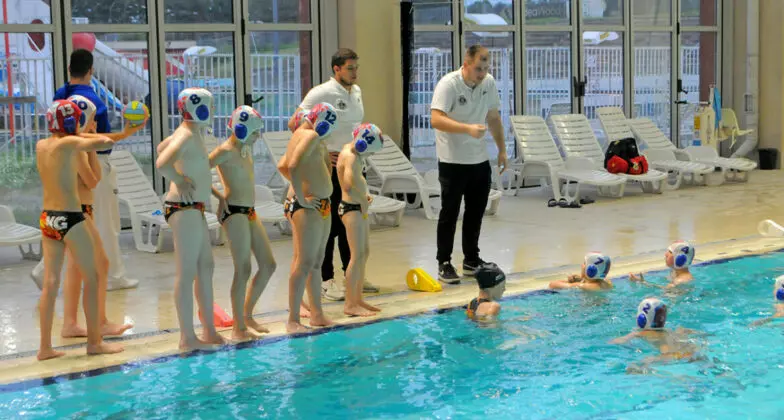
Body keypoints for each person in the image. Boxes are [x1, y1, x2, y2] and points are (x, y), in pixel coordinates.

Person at [32, 49, 145, 291]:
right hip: (93, 162)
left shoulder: (61, 95)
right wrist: (126, 131)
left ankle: (44, 271)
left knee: (68, 220)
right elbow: (99, 139)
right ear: (91, 70)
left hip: (64, 161)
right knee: (106, 222)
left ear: (69, 69)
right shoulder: (95, 102)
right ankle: (114, 276)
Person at [287, 48, 380, 301]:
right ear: (336, 69)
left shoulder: (356, 91)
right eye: (350, 68)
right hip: (329, 169)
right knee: (328, 226)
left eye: (356, 68)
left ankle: (353, 274)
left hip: (353, 164)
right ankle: (326, 279)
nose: (355, 73)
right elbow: (295, 123)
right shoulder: (321, 92)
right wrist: (321, 151)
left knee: (350, 221)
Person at [36, 100, 125, 360]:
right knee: (93, 277)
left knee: (50, 282)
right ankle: (95, 343)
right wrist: (87, 132)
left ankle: (44, 348)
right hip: (71, 218)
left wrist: (79, 132)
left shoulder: (42, 145)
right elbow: (104, 142)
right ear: (71, 122)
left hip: (48, 218)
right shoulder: (68, 144)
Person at [430, 44, 508, 284]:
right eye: (478, 69)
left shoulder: (488, 83)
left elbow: (493, 118)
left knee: (475, 213)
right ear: (466, 65)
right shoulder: (448, 84)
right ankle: (444, 262)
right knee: (450, 213)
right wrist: (467, 129)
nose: (482, 73)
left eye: (486, 68)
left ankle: (471, 259)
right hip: (452, 160)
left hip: (479, 160)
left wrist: (502, 150)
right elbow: (436, 119)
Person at [156, 87, 225, 350]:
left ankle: (208, 330)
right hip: (183, 208)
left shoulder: (190, 133)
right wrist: (179, 179)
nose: (214, 110)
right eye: (211, 106)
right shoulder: (186, 135)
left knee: (205, 267)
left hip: (194, 207)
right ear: (200, 108)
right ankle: (187, 338)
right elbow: (162, 162)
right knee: (186, 273)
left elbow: (162, 147)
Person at [210, 106, 277, 339]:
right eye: (254, 132)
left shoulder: (245, 149)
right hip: (234, 212)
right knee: (244, 268)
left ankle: (246, 316)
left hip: (249, 211)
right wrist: (220, 197)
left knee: (268, 265)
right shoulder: (225, 150)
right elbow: (198, 172)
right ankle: (238, 328)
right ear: (240, 129)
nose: (258, 136)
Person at [278, 103, 338, 333]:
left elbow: (285, 164)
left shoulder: (307, 136)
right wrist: (301, 196)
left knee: (315, 263)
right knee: (304, 263)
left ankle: (317, 314)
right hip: (308, 207)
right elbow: (290, 165)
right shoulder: (309, 135)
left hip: (320, 205)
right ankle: (293, 320)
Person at [336, 123, 384, 317]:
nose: (369, 156)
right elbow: (348, 184)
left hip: (357, 207)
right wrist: (363, 199)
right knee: (356, 256)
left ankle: (358, 299)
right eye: (370, 152)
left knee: (364, 253)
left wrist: (364, 196)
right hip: (351, 209)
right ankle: (350, 304)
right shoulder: (351, 156)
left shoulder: (351, 151)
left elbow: (356, 182)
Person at [611, 298, 703, 372]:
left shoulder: (643, 333)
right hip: (693, 353)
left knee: (633, 369)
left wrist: (651, 360)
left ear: (641, 318)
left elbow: (615, 342)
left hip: (676, 358)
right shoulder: (672, 331)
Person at [630, 241, 695, 288]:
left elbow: (663, 291)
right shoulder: (675, 273)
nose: (666, 254)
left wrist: (642, 282)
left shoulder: (679, 281)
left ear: (680, 258)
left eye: (670, 252)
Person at [549, 252, 613, 291]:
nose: (582, 265)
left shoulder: (583, 286)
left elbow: (552, 284)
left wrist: (569, 282)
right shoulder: (607, 283)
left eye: (584, 263)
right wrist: (582, 279)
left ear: (591, 269)